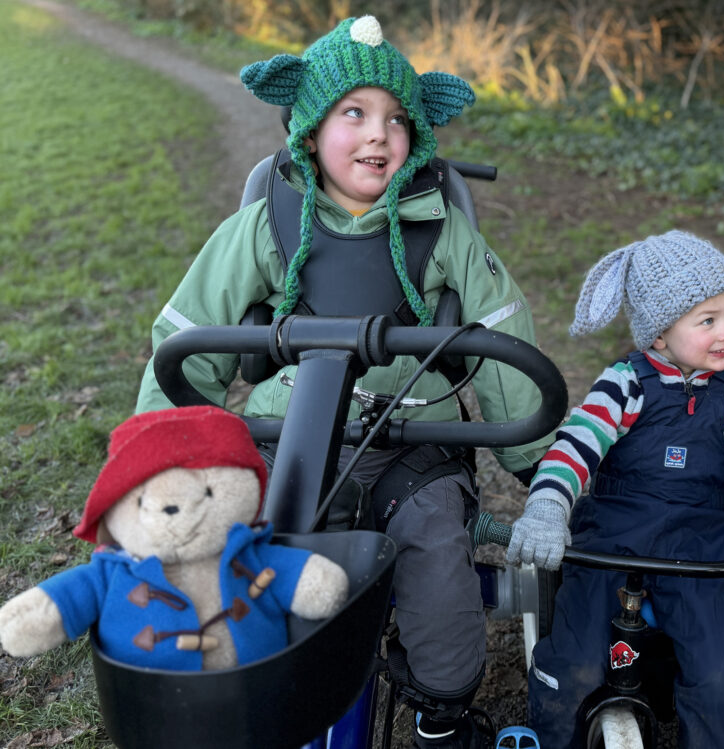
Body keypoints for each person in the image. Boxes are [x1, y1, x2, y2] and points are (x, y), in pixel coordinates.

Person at [135, 15, 552, 749]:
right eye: (353, 113)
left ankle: (443, 710)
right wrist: (165, 454)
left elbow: (502, 328)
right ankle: (251, 683)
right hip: (290, 436)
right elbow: (188, 331)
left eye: (396, 119)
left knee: (438, 564)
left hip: (415, 443)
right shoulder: (264, 225)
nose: (377, 135)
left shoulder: (443, 230)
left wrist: (540, 468)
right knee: (238, 555)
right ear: (309, 130)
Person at [506, 230, 724, 748]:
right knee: (574, 664)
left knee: (722, 675)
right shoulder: (625, 384)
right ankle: (555, 734)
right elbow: (575, 446)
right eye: (708, 320)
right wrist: (547, 508)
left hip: (697, 546)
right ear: (659, 334)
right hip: (611, 539)